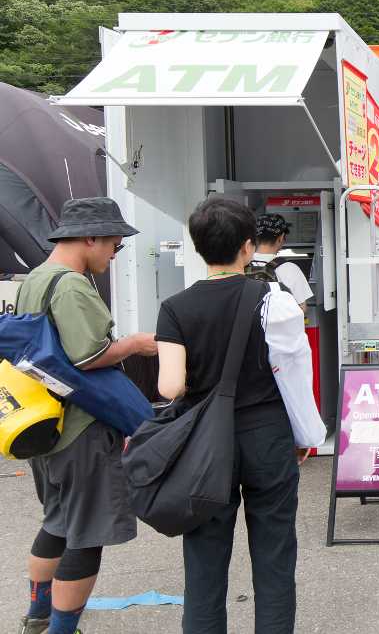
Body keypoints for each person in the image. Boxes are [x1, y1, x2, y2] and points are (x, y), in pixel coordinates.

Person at [156, 197, 308, 634]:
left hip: (206, 442)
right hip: (266, 433)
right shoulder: (273, 299)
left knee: (204, 557)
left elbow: (170, 387)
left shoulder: (176, 307)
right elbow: (294, 374)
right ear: (247, 247)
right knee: (275, 553)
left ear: (199, 246)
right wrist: (301, 433)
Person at [16, 197, 158, 634]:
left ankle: (37, 619)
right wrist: (136, 344)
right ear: (91, 237)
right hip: (83, 427)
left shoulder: (34, 279)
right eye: (114, 245)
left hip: (43, 423)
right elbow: (89, 356)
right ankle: (62, 629)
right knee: (87, 535)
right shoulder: (73, 284)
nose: (115, 254)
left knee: (57, 523)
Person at [248, 214, 314, 311]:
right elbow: (301, 309)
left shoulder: (240, 265)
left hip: (247, 325)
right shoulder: (290, 269)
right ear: (281, 237)